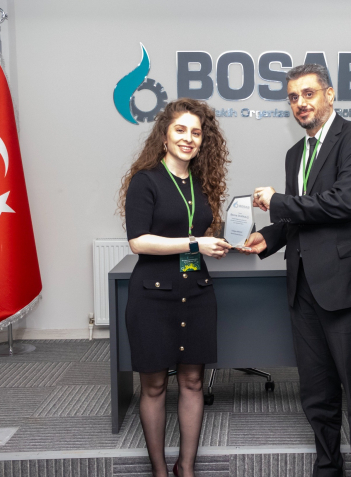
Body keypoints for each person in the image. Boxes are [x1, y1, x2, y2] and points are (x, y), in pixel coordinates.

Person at [245, 64, 351, 477]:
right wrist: (269, 237)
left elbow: (343, 203)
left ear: (329, 95)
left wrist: (276, 201)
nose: (300, 103)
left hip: (350, 286)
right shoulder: (296, 154)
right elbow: (302, 217)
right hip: (304, 287)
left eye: (308, 94)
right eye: (293, 97)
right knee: (315, 390)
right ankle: (327, 466)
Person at [118, 98, 232, 477]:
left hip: (196, 293)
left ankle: (186, 468)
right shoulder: (146, 180)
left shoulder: (202, 182)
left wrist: (220, 242)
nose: (188, 138)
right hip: (152, 297)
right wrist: (197, 244)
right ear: (164, 137)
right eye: (180, 130)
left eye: (196, 133)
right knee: (153, 387)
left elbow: (197, 231)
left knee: (193, 382)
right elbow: (138, 242)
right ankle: (159, 470)